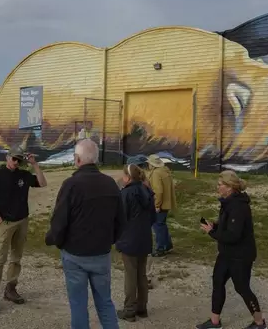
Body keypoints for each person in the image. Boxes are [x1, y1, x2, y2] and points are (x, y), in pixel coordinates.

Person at [45, 139, 125, 329]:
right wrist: (109, 240)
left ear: (77, 159)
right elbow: (121, 220)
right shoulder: (110, 184)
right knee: (105, 302)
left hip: (75, 255)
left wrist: (54, 240)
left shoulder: (71, 185)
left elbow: (59, 221)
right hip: (101, 254)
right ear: (95, 159)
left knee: (79, 305)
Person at [197, 170, 266, 329]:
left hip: (241, 255)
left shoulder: (238, 206)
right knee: (218, 281)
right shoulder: (227, 202)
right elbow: (228, 227)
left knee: (242, 288)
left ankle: (259, 323)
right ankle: (214, 322)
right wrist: (216, 225)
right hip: (226, 253)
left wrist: (212, 232)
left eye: (220, 185)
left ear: (230, 187)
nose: (217, 187)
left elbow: (234, 235)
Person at [0, 146, 47, 315]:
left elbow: (42, 183)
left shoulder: (24, 176)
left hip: (22, 220)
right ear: (7, 157)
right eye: (14, 159)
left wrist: (35, 165)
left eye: (19, 160)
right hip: (5, 222)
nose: (16, 162)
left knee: (16, 257)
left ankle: (10, 288)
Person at [115, 164, 156, 322]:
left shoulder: (126, 193)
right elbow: (153, 217)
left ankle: (129, 310)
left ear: (128, 177)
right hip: (144, 237)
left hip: (129, 239)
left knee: (130, 275)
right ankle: (142, 307)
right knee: (141, 274)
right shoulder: (147, 191)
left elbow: (120, 217)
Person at [146, 154, 177, 257]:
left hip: (160, 203)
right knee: (162, 225)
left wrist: (156, 205)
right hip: (167, 202)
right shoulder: (165, 171)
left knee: (158, 226)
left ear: (152, 164)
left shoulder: (156, 173)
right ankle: (167, 245)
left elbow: (158, 191)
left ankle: (160, 248)